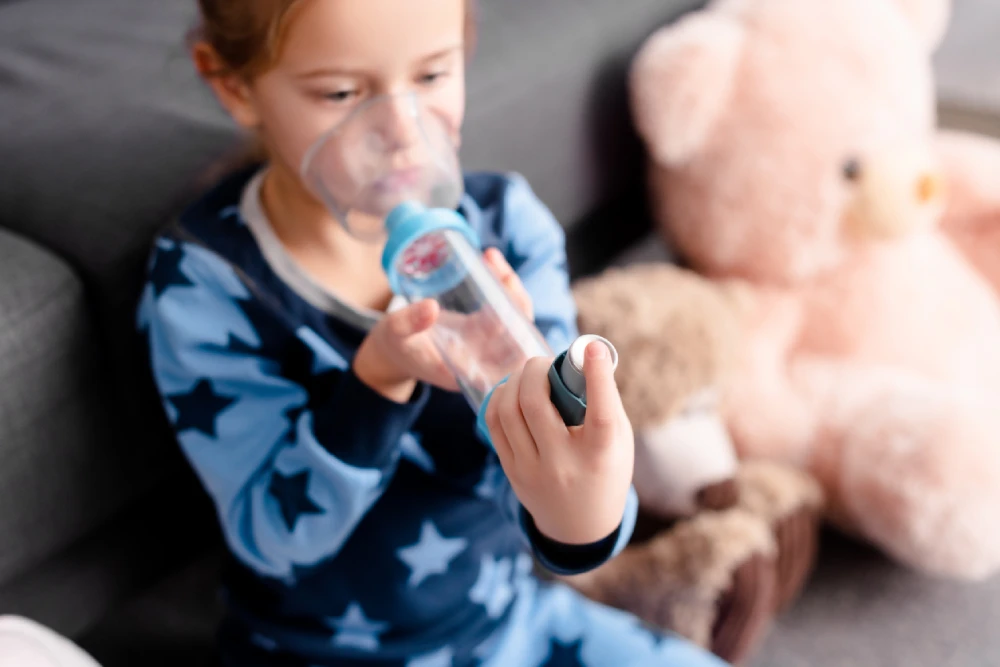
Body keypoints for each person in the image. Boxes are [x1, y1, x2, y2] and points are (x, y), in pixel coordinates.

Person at [137, 0, 730, 665]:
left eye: (431, 76)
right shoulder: (211, 284)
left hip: (508, 625)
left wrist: (583, 511)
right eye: (340, 92)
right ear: (233, 86)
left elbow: (556, 485)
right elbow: (275, 536)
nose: (400, 130)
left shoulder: (509, 226)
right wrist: (376, 381)